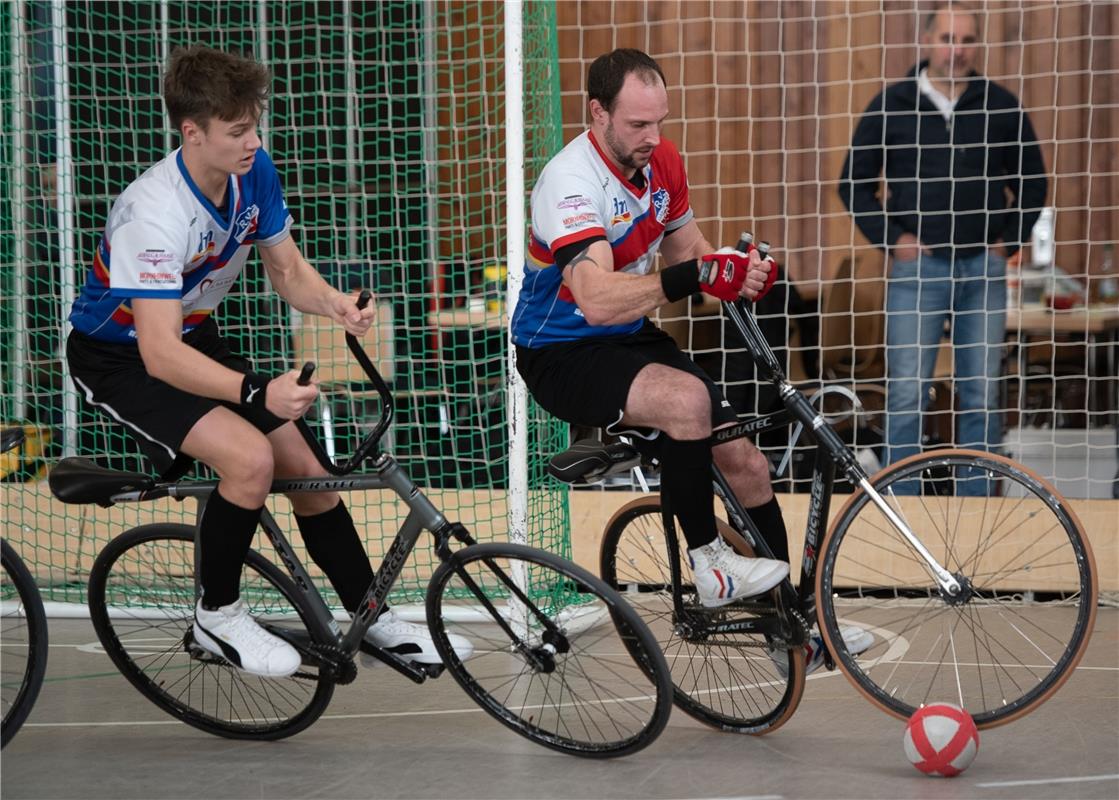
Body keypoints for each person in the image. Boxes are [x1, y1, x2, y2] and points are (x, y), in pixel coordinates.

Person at [65, 45, 470, 678]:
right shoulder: (154, 212)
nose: (254, 140)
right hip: (119, 357)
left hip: (193, 335)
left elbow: (287, 269)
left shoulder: (253, 171)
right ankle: (217, 614)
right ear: (191, 132)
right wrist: (256, 394)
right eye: (237, 131)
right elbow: (159, 353)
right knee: (249, 458)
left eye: (255, 124)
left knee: (307, 468)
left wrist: (336, 305)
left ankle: (372, 615)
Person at [511, 48, 871, 672]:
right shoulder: (568, 182)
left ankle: (792, 630)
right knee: (687, 401)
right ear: (597, 113)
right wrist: (691, 275)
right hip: (560, 350)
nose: (653, 138)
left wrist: (736, 273)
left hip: (629, 336)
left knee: (748, 464)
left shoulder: (662, 162)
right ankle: (710, 565)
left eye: (660, 123)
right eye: (637, 126)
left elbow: (689, 251)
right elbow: (595, 299)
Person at [838, 1, 1048, 487]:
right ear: (927, 40)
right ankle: (903, 512)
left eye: (967, 40)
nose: (957, 49)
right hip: (918, 274)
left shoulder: (1001, 105)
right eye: (948, 38)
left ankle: (977, 509)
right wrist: (894, 241)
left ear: (977, 45)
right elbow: (853, 184)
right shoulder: (892, 103)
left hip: (983, 271)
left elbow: (1033, 183)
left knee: (982, 394)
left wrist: (1008, 243)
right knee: (909, 395)